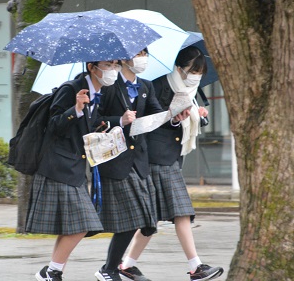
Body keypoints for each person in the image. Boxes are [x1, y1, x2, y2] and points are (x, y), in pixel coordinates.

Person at [119, 46, 224, 281]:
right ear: (179, 67)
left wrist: (197, 114)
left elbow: (185, 121)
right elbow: (150, 121)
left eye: (200, 71)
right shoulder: (159, 84)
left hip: (171, 156)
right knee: (182, 212)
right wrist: (173, 117)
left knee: (150, 219)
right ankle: (196, 266)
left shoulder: (190, 90)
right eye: (192, 70)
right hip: (158, 156)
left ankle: (125, 264)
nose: (196, 75)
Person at [28, 60, 122, 281]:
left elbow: (89, 125)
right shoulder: (70, 89)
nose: (113, 70)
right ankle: (51, 271)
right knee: (83, 224)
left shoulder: (98, 92)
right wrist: (76, 109)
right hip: (59, 167)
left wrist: (109, 124)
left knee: (73, 226)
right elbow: (54, 125)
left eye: (116, 65)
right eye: (108, 65)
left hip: (76, 167)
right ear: (92, 67)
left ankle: (52, 272)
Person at [93, 49, 162, 281]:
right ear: (123, 59)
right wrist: (118, 121)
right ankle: (110, 269)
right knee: (132, 218)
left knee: (145, 220)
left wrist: (174, 116)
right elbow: (95, 119)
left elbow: (155, 114)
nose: (142, 58)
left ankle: (115, 267)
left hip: (139, 161)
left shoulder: (146, 86)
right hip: (115, 160)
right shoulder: (109, 85)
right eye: (137, 53)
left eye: (145, 53)